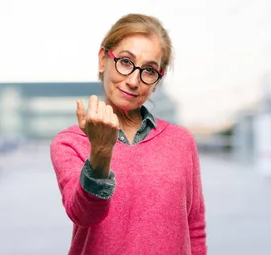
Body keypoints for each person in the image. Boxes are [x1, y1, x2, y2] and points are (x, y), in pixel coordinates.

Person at [50, 13, 207, 255]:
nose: (134, 80)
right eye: (125, 61)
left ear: (156, 81)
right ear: (103, 59)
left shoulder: (181, 142)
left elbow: (194, 228)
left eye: (149, 70)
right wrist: (100, 151)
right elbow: (83, 215)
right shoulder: (70, 143)